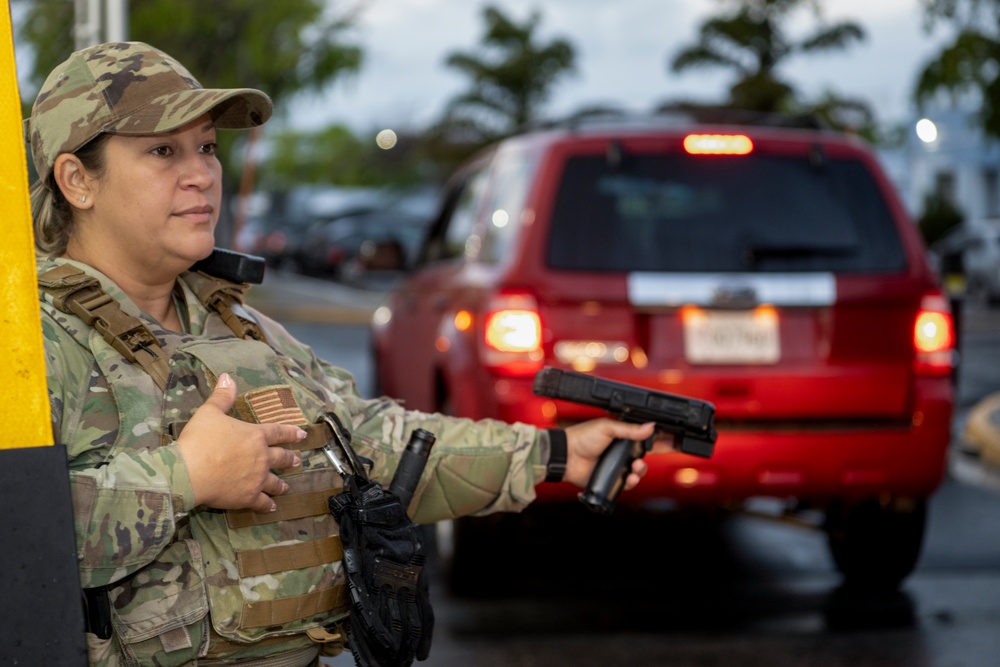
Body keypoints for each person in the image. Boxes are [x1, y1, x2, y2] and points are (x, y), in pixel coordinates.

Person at [27, 41, 672, 667]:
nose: (200, 173)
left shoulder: (247, 331)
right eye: (163, 150)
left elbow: (377, 447)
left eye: (206, 148)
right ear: (78, 180)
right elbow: (20, 540)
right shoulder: (30, 348)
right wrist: (185, 478)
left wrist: (557, 454)